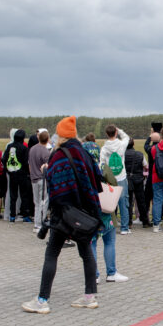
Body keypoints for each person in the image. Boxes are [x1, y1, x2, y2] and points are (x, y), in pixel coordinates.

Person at [22, 116, 102, 314]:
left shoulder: (59, 155)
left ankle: (42, 300)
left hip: (64, 213)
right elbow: (96, 179)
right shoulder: (84, 154)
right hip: (84, 214)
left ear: (61, 136)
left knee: (52, 253)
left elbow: (56, 187)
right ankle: (89, 297)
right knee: (86, 253)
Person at [3, 129, 33, 223]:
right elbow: (26, 162)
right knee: (24, 195)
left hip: (12, 173)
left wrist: (8, 170)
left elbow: (4, 159)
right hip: (22, 174)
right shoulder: (24, 148)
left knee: (13, 195)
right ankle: (25, 215)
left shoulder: (10, 146)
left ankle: (12, 215)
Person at [28, 130, 52, 231]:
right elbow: (48, 166)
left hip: (33, 178)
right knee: (44, 201)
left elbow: (30, 164)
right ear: (47, 139)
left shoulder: (32, 149)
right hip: (42, 179)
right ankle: (41, 223)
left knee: (37, 202)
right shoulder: (45, 151)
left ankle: (36, 223)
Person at [124, 138, 149, 228]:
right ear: (133, 144)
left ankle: (129, 222)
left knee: (128, 201)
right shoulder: (140, 154)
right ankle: (145, 221)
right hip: (138, 180)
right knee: (141, 201)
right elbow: (145, 166)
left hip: (127, 179)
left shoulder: (122, 155)